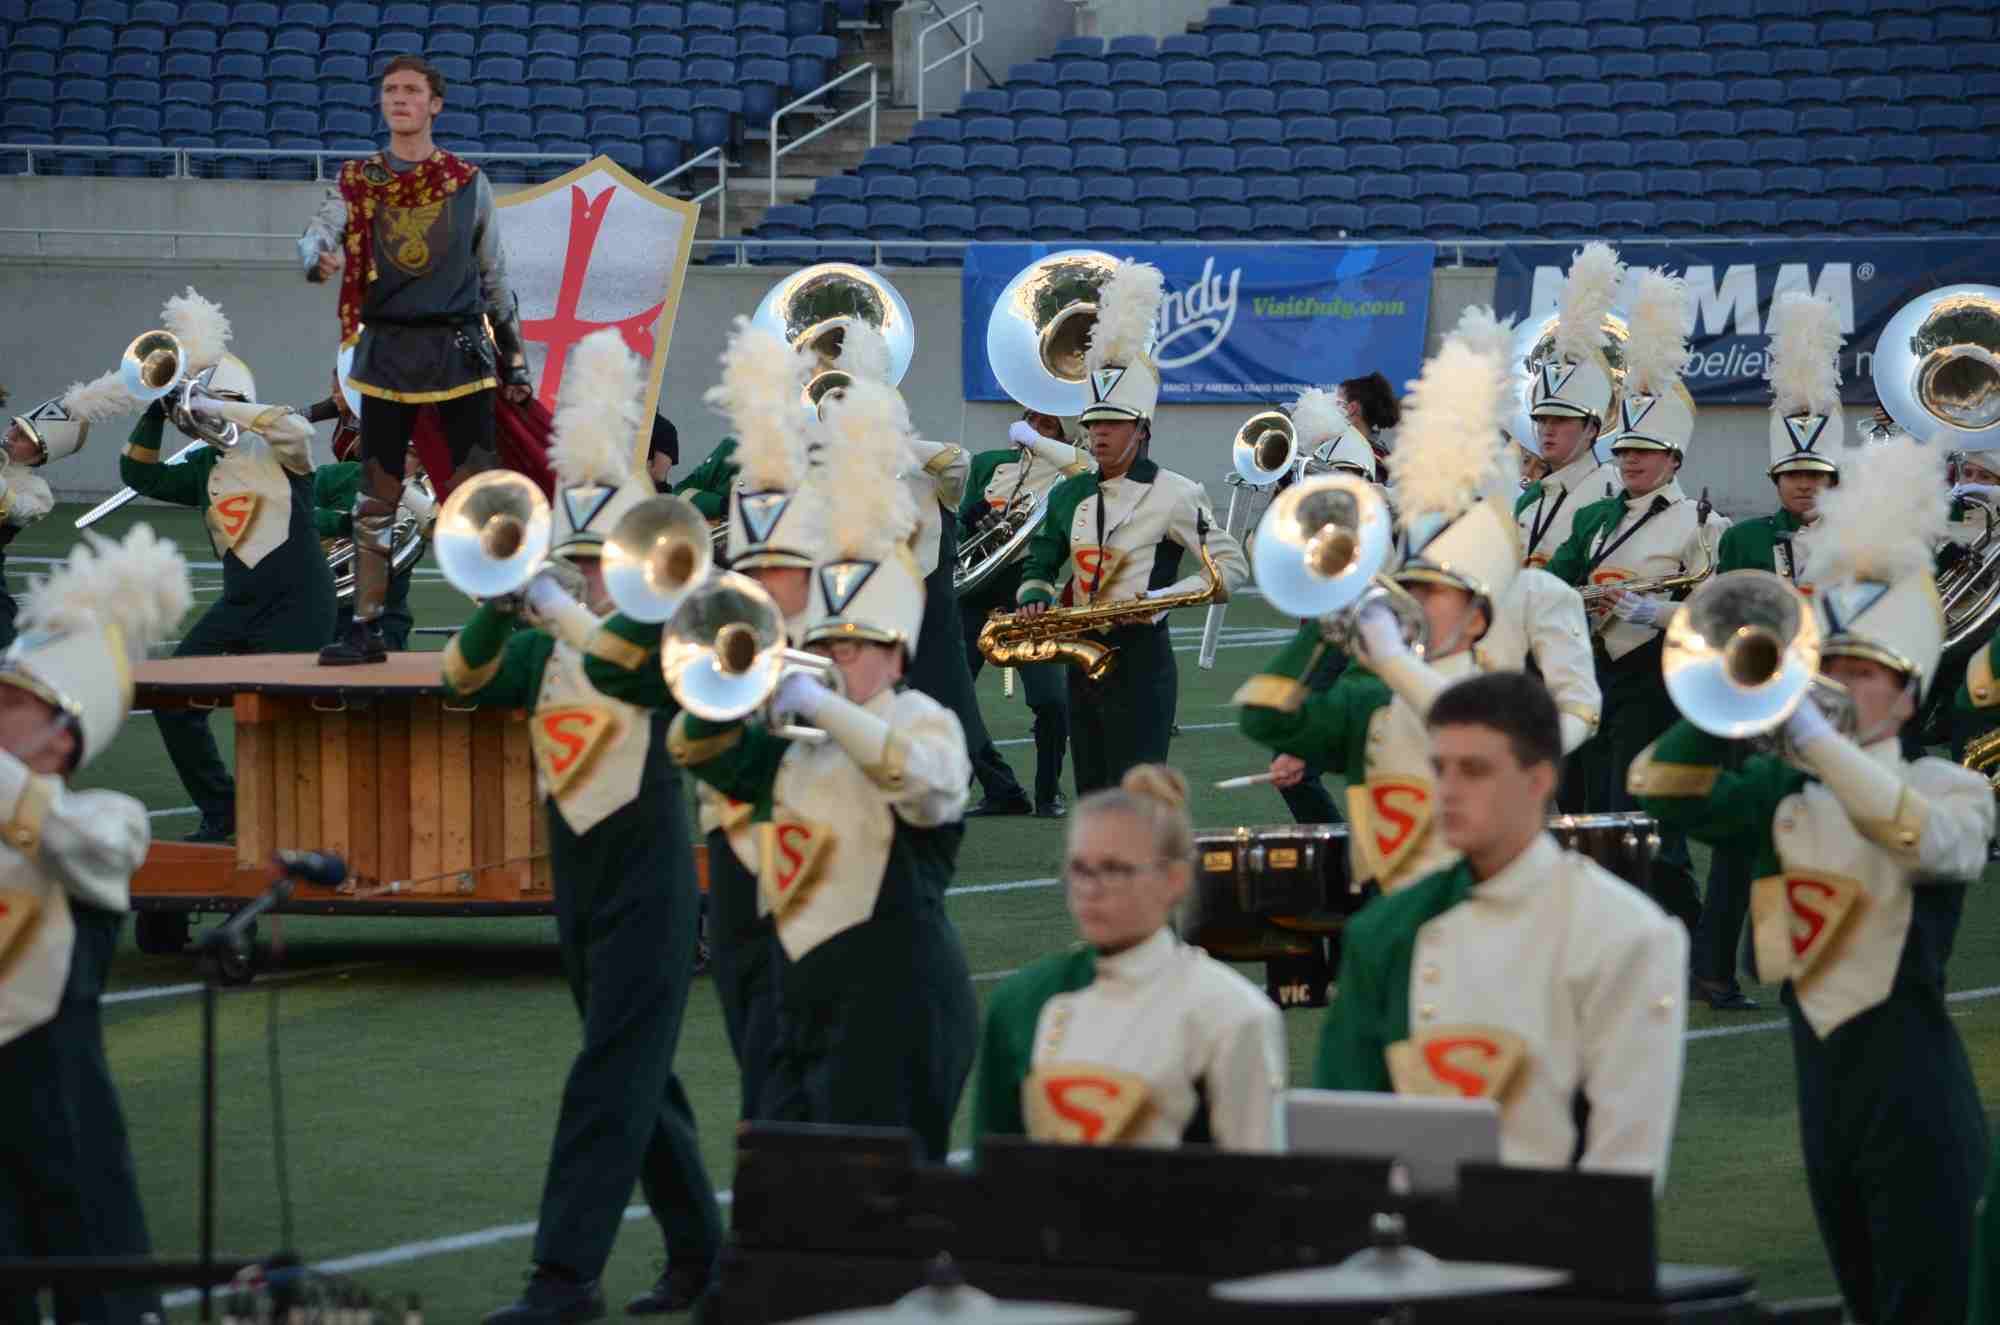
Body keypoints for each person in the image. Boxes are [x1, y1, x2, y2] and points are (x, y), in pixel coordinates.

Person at [1633, 436, 1991, 1325]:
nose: (1838, 686)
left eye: (1861, 674)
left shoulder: (1950, 785)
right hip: (1819, 1093)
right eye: (1829, 667)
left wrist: (1820, 742)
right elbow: (1659, 783)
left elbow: (1932, 844)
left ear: (1907, 695)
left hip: (1915, 1094)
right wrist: (1737, 685)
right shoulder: (1779, 793)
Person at [446, 332, 721, 1325]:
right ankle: (704, 1256)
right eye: (576, 563)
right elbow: (460, 679)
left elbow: (620, 666)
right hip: (578, 877)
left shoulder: (662, 648)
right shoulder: (546, 650)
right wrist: (500, 604)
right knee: (639, 1076)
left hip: (650, 882)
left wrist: (558, 609)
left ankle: (564, 1277)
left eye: (601, 564)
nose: (587, 578)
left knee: (609, 1073)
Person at [670, 375, 978, 1163]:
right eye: (832, 641)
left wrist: (825, 704)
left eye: (860, 644)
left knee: (886, 1187)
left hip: (901, 1002)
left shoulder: (922, 718)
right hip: (798, 994)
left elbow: (929, 784)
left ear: (897, 653)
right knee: (783, 1171)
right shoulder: (792, 739)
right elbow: (691, 747)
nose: (842, 656)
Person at [1320, 670, 1686, 1186]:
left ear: (1540, 781)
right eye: (1438, 769)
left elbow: (1627, 1161)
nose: (1446, 791)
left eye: (1474, 770)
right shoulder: (1384, 928)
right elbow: (1341, 1128)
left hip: (1558, 1227)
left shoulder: (1627, 932)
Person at [1240, 309, 1526, 895]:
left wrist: (1393, 659)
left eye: (1438, 590)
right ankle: (1340, 866)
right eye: (1414, 586)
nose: (1420, 601)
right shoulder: (1371, 692)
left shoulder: (1501, 684)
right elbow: (1264, 715)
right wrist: (1333, 615)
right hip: (1392, 900)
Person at [0, 524, 191, 1325]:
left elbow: (84, 844)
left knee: (102, 1283)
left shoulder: (108, 818)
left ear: (63, 733)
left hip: (62, 1100)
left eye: (13, 702)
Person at [300, 53, 531, 666]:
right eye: (390, 90)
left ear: (435, 104)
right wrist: (316, 258)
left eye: (411, 90)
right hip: (386, 355)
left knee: (478, 496)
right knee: (376, 496)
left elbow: (494, 276)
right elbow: (317, 236)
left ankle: (505, 623)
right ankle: (366, 628)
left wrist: (516, 363)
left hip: (459, 355)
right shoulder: (357, 180)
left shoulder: (467, 181)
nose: (399, 98)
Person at [1013, 259, 1249, 794]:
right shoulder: (1070, 491)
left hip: (1142, 660)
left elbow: (1231, 566)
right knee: (1093, 793)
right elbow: (1042, 558)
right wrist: (1034, 596)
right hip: (1080, 656)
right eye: (1093, 423)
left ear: (1141, 429)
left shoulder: (1176, 492)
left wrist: (1164, 598)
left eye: (1112, 424)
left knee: (1139, 793)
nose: (1098, 434)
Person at [974, 764, 1284, 1151]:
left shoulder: (1232, 1013)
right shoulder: (1022, 999)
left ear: (1175, 879)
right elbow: (993, 1168)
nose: (1090, 889)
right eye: (1079, 869)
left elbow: (1256, 1173)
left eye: (1114, 869)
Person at [121, 291, 337, 844]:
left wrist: (219, 407)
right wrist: (156, 410)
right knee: (173, 701)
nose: (199, 416)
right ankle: (223, 810)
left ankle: (304, 823)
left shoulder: (279, 451)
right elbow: (138, 474)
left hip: (299, 603)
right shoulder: (202, 465)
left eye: (211, 404)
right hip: (239, 604)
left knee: (290, 721)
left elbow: (297, 429)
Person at [1544, 267, 1723, 932]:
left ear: (1674, 459)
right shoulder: (1597, 517)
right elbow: (1556, 581)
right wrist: (1576, 602)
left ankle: (1687, 935)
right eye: (1626, 452)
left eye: (1647, 454)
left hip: (1652, 677)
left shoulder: (1701, 523)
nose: (1632, 463)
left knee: (1640, 818)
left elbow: (1715, 614)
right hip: (1593, 672)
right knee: (1588, 812)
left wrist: (1655, 612)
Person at [1695, 291, 1845, 1012]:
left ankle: (1795, 971)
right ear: (1776, 479)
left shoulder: (1856, 537)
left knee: (1814, 842)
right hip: (1756, 705)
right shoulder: (1743, 539)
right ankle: (1713, 970)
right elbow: (1721, 617)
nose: (1804, 484)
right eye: (1793, 474)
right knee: (1737, 841)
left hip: (1829, 707)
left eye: (1815, 474)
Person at [692, 317, 818, 1124]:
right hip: (732, 833)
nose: (766, 578)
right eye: (754, 566)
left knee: (799, 1011)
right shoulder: (725, 626)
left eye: (782, 568)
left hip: (816, 834)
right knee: (744, 1003)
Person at [959, 407, 1091, 818]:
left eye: (1047, 424)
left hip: (1030, 591)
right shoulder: (987, 463)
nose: (1033, 428)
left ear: (1065, 434)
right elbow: (959, 526)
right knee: (951, 698)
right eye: (1030, 420)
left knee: (1051, 700)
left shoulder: (1074, 473)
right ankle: (999, 788)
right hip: (974, 590)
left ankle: (1048, 792)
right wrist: (971, 519)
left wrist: (1041, 445)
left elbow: (1087, 467)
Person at [1514, 243, 1622, 569]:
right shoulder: (1530, 497)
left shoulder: (1614, 492)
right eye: (1542, 419)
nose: (1547, 430)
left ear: (1591, 429)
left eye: (1561, 421)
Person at [1, 374, 121, 646]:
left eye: (22, 437)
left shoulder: (38, 492)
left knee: (5, 644)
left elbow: (15, 509)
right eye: (14, 427)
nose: (10, 436)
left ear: (38, 455)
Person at [313, 433, 434, 652]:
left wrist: (400, 490)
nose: (396, 459)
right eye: (388, 450)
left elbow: (439, 526)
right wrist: (341, 523)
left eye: (409, 454)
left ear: (420, 464)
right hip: (323, 605)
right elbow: (297, 512)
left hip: (387, 615)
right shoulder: (334, 476)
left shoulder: (418, 497)